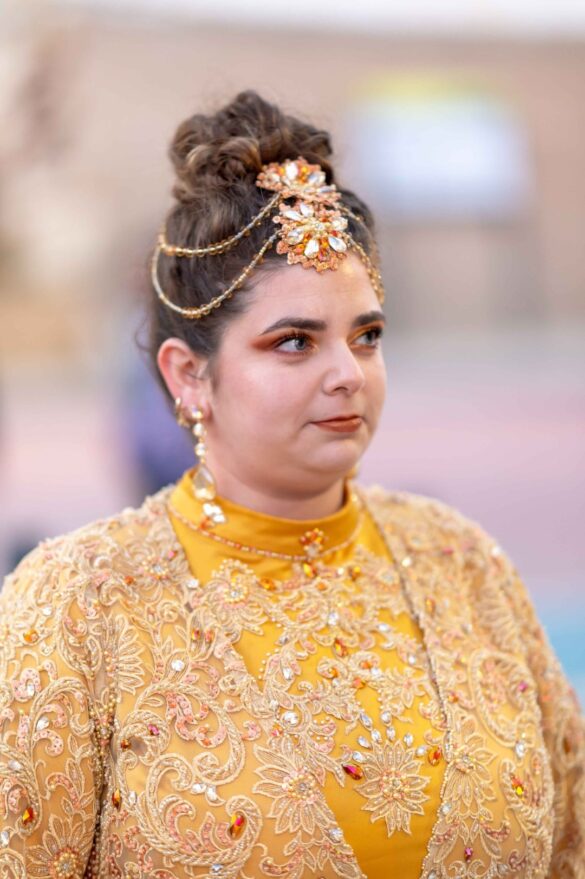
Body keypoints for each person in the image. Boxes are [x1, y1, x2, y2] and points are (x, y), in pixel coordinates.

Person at [0, 91, 582, 879]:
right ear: (189, 374)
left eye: (366, 335)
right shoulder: (77, 604)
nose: (347, 374)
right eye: (294, 342)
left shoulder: (462, 563)